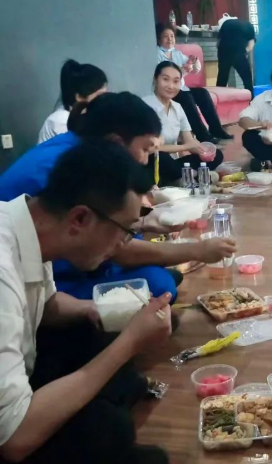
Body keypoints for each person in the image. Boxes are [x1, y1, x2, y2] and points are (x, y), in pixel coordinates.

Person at [0, 140, 172, 464]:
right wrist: (130, 343)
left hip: (21, 377)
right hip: (12, 433)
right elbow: (14, 439)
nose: (123, 244)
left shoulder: (27, 225)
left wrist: (98, 310)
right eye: (124, 231)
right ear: (80, 218)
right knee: (109, 432)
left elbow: (47, 306)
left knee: (97, 338)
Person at [0, 92, 236, 302]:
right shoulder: (73, 166)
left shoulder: (75, 151)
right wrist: (197, 250)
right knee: (157, 286)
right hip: (48, 278)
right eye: (145, 149)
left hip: (52, 270)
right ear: (115, 142)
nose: (145, 160)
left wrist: (142, 221)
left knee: (156, 280)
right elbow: (114, 249)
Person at [144, 61, 225, 186]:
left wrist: (203, 150)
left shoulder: (178, 107)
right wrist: (184, 147)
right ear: (155, 79)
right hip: (151, 161)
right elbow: (149, 148)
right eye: (165, 79)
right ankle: (191, 176)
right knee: (159, 157)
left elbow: (189, 141)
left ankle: (183, 177)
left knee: (217, 155)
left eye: (176, 81)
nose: (171, 86)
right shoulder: (145, 105)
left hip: (172, 164)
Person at [156, 23, 231, 142]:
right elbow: (164, 76)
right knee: (186, 98)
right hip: (166, 91)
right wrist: (182, 71)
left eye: (172, 36)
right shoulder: (156, 54)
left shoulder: (176, 53)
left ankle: (216, 129)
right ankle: (203, 136)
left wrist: (194, 61)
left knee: (202, 93)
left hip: (181, 89)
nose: (170, 39)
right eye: (165, 36)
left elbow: (195, 69)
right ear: (159, 39)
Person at [37, 59, 107, 144]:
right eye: (100, 95)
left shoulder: (83, 115)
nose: (105, 99)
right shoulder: (61, 120)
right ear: (79, 97)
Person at [216, 19, 256, 96]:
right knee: (247, 80)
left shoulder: (226, 23)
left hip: (224, 51)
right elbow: (250, 46)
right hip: (238, 53)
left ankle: (218, 99)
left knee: (222, 79)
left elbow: (218, 43)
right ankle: (251, 100)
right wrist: (244, 52)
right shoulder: (250, 27)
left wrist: (221, 55)